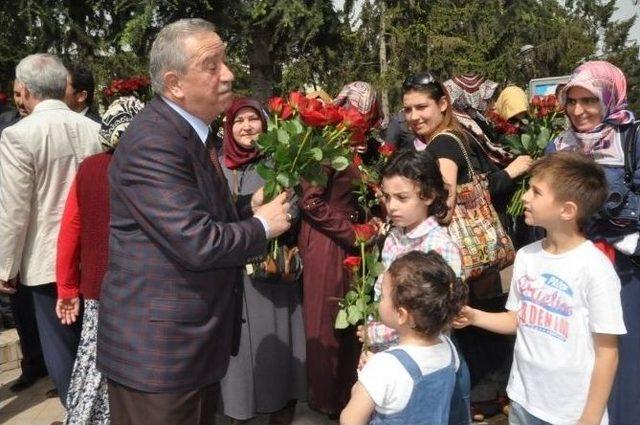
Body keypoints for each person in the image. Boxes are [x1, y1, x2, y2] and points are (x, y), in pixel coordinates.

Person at [96, 19, 291, 425]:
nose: (229, 74)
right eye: (212, 65)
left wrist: (245, 204)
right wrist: (261, 227)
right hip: (160, 358)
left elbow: (194, 211)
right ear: (175, 84)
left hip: (189, 350)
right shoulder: (155, 142)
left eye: (225, 61)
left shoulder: (189, 134)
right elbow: (196, 241)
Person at [455, 151, 626, 425]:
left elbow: (608, 351)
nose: (524, 197)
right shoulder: (527, 257)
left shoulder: (595, 268)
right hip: (523, 401)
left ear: (567, 210)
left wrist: (590, 418)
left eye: (536, 192)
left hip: (570, 413)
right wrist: (474, 316)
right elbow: (517, 320)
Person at [402, 72, 531, 421]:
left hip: (464, 251)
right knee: (486, 315)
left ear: (443, 104)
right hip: (484, 252)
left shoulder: (441, 144)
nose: (414, 117)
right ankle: (499, 394)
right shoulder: (459, 134)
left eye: (422, 107)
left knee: (470, 322)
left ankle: (484, 401)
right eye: (408, 109)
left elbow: (444, 203)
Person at [0, 53, 102, 409]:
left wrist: (4, 268)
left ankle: (78, 413)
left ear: (25, 91)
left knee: (62, 353)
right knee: (93, 349)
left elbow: (13, 210)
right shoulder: (93, 129)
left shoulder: (18, 135)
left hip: (46, 262)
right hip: (94, 257)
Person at [547, 61, 639, 425]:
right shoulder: (559, 144)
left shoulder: (630, 138)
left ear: (610, 98)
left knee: (620, 352)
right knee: (577, 347)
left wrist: (613, 226)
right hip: (573, 263)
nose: (579, 111)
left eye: (590, 101)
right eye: (572, 101)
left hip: (623, 266)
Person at [358, 149, 470, 424]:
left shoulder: (440, 246)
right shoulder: (395, 237)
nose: (391, 206)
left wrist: (378, 333)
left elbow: (439, 315)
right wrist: (372, 339)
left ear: (429, 196)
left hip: (425, 365)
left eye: (402, 198)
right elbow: (382, 295)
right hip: (390, 357)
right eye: (386, 197)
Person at [56, 96, 144, 425]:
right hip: (142, 287)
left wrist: (66, 288)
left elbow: (70, 231)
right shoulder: (152, 168)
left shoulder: (89, 168)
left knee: (96, 362)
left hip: (98, 287)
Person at [219, 98, 306, 424]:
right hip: (231, 279)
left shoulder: (280, 162)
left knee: (277, 361)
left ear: (265, 124)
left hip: (272, 280)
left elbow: (290, 211)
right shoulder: (218, 164)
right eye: (238, 121)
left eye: (252, 119)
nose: (245, 127)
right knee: (239, 363)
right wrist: (250, 214)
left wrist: (266, 217)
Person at [298, 81, 381, 417]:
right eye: (359, 112)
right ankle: (326, 400)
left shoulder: (349, 145)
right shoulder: (327, 141)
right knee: (326, 322)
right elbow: (310, 200)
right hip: (326, 241)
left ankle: (347, 396)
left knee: (349, 319)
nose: (362, 119)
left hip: (346, 240)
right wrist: (353, 232)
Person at [341, 250, 467, 425]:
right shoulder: (449, 349)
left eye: (383, 297)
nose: (380, 301)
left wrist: (363, 382)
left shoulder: (383, 367)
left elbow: (350, 419)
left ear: (401, 314)